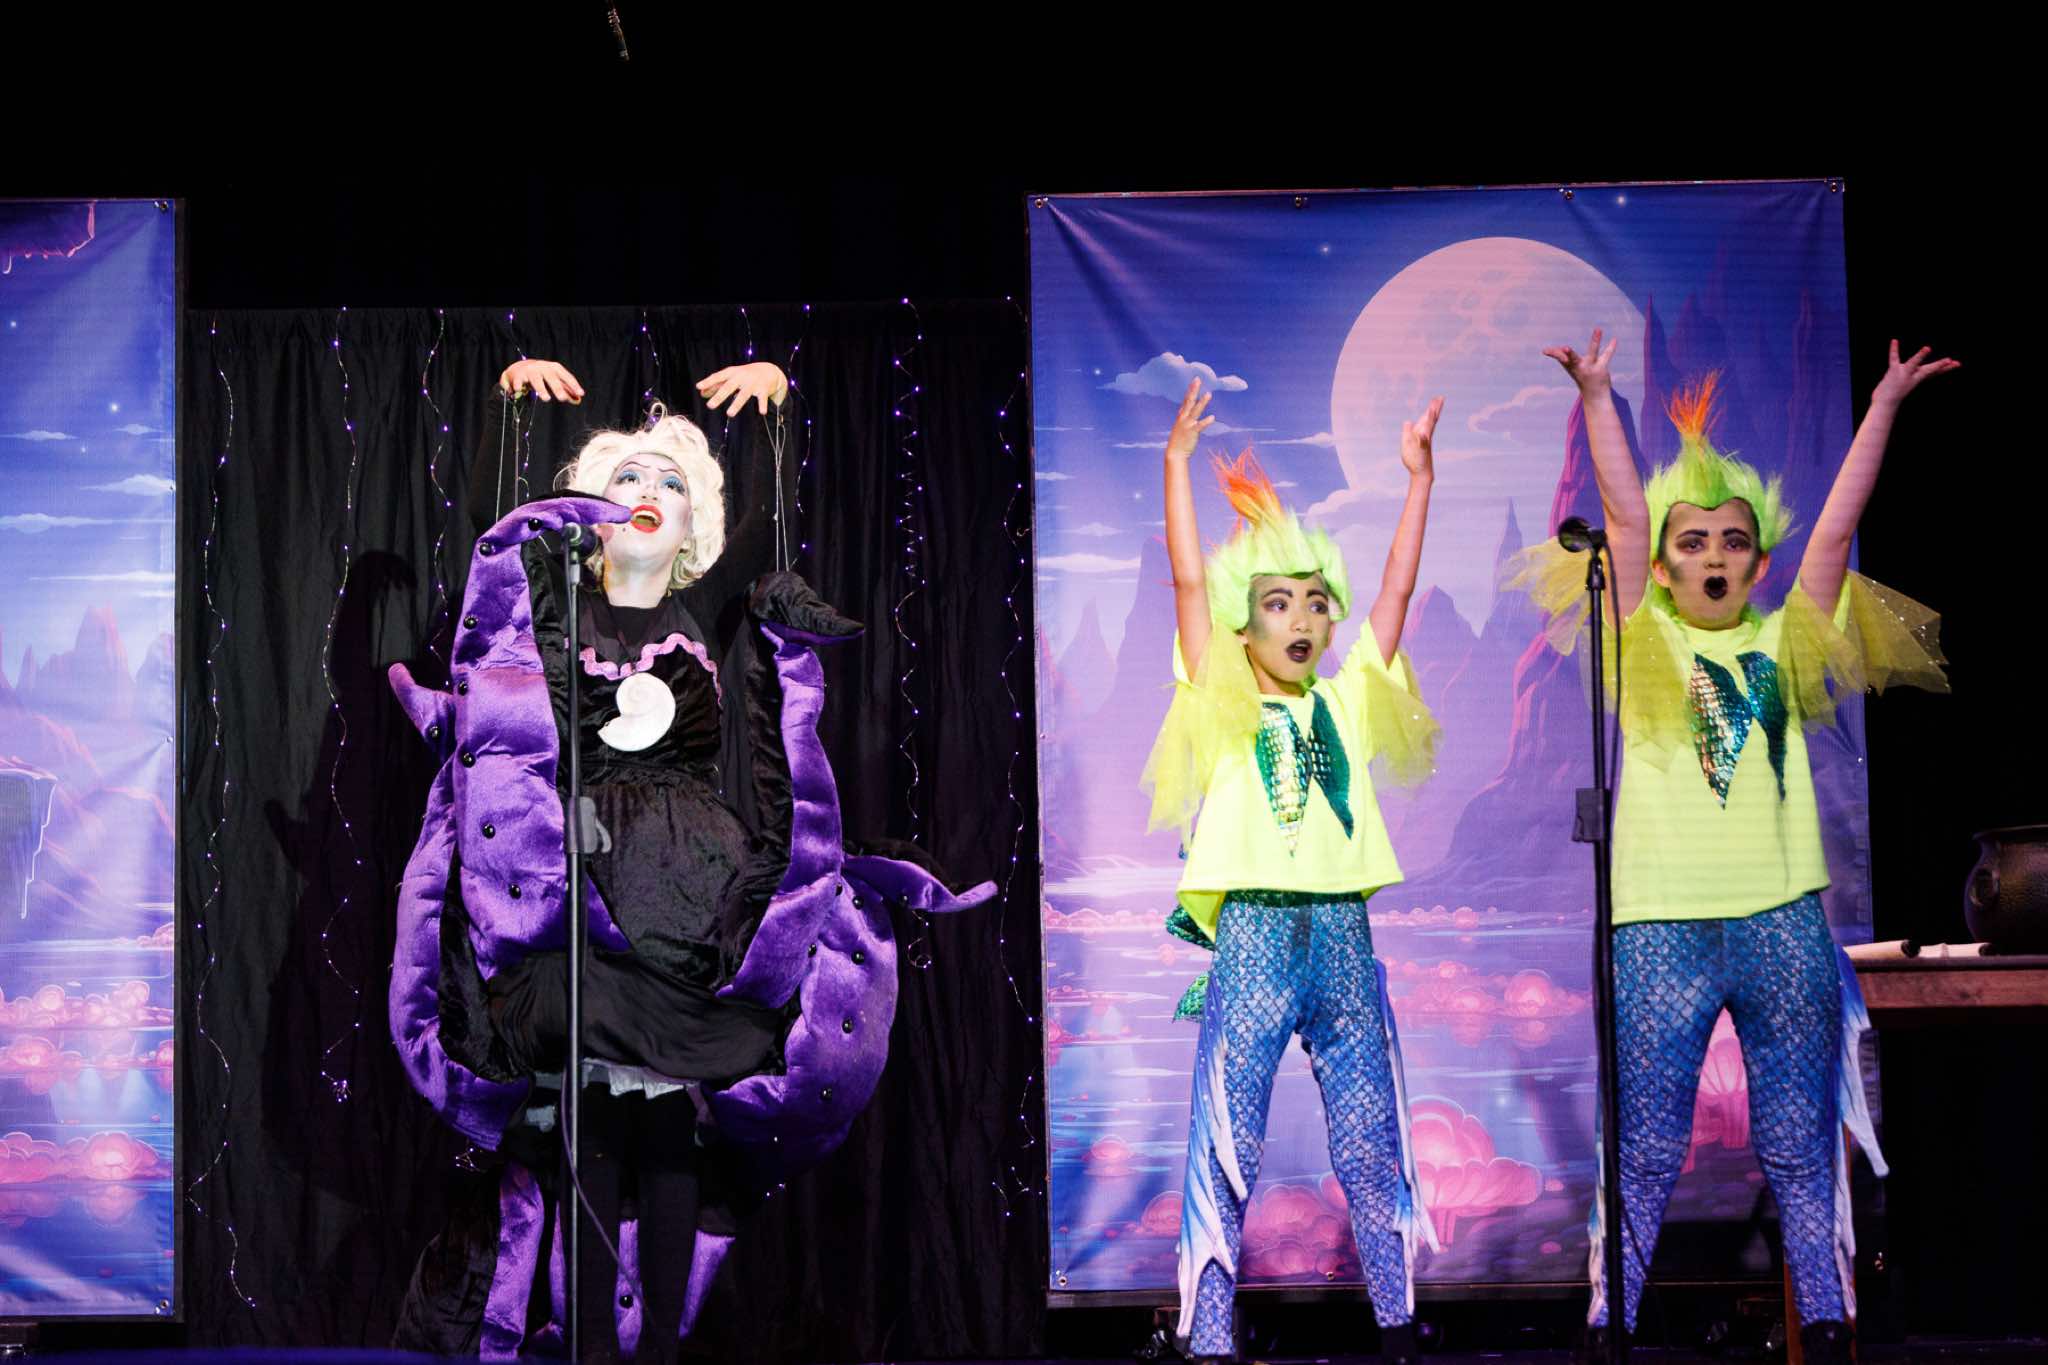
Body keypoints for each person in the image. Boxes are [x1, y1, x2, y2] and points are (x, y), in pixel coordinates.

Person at [386, 357, 990, 1362]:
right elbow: (499, 553)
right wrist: (508, 408)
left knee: (668, 1124)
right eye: (627, 478)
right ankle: (588, 1346)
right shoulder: (556, 613)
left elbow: (773, 536)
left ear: (691, 523)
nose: (648, 492)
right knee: (588, 1114)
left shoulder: (707, 619)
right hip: (577, 888)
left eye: (669, 482)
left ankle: (657, 1349)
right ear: (591, 512)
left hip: (687, 902)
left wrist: (778, 410)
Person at [1523, 333, 1957, 1364]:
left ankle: (1826, 1320)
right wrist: (1597, 396)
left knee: (1798, 1145)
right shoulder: (1642, 638)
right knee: (1644, 1146)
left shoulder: (1781, 639)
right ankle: (1611, 1325)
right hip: (1660, 929)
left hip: (1780, 924)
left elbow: (1835, 529)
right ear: (1662, 566)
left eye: (1731, 541)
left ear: (1757, 564)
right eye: (1692, 541)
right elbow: (1622, 515)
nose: (1711, 555)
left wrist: (1883, 406)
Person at [1143, 380, 1444, 1365]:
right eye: (1277, 603)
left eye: (1315, 601)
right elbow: (1188, 584)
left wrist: (1418, 482)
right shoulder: (1223, 699)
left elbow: (1394, 593)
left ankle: (1397, 1328)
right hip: (1257, 937)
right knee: (1229, 1143)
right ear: (1246, 625)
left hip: (1343, 942)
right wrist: (1175, 463)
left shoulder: (1346, 699)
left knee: (1368, 1143)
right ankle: (1210, 1339)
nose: (1302, 618)